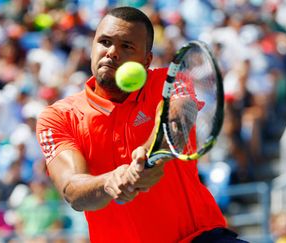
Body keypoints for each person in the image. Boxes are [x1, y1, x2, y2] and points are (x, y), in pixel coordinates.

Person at [36, 6, 247, 243]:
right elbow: (72, 190)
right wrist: (109, 182)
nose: (112, 52)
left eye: (126, 46)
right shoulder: (58, 117)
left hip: (199, 238)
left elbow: (176, 122)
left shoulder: (171, 81)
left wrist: (146, 156)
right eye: (104, 42)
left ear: (146, 60)